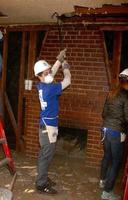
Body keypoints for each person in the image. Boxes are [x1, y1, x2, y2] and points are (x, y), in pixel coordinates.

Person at [33, 48, 71, 195]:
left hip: (49, 125)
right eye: (46, 72)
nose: (49, 73)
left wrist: (59, 60)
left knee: (47, 154)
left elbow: (51, 74)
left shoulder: (43, 85)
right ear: (39, 76)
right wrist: (66, 67)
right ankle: (41, 184)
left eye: (49, 70)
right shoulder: (50, 89)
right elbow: (68, 81)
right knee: (45, 156)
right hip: (48, 127)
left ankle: (43, 178)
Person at [99, 68, 128, 200]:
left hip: (105, 129)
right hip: (117, 132)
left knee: (107, 156)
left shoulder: (112, 93)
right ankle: (107, 192)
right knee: (116, 162)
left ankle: (102, 181)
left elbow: (103, 114)